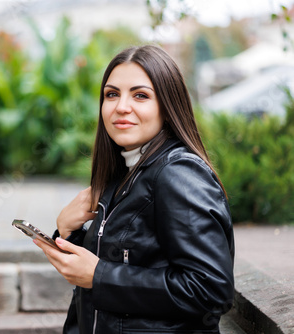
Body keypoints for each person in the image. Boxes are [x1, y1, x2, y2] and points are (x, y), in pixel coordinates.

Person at [33, 45, 235, 333]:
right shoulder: (124, 173)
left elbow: (210, 290)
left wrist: (99, 276)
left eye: (140, 95)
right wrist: (68, 233)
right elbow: (123, 265)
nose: (121, 106)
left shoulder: (178, 174)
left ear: (168, 106)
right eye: (111, 94)